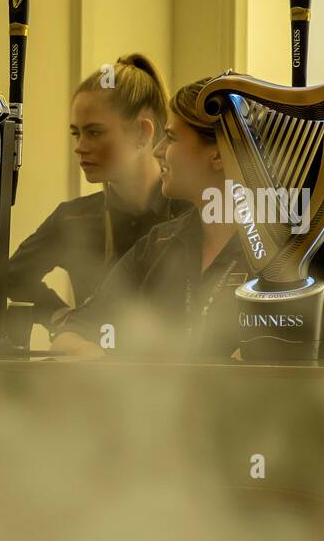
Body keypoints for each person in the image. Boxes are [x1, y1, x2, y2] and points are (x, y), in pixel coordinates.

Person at [50, 77, 247, 361]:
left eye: (173, 137)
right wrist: (100, 363)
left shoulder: (278, 256)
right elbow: (70, 334)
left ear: (218, 154)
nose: (157, 150)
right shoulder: (158, 244)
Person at [6, 55, 191, 335]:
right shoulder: (72, 218)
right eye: (76, 134)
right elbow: (13, 275)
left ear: (143, 132)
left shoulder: (191, 214)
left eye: (94, 132)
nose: (80, 147)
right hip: (93, 373)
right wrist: (59, 315)